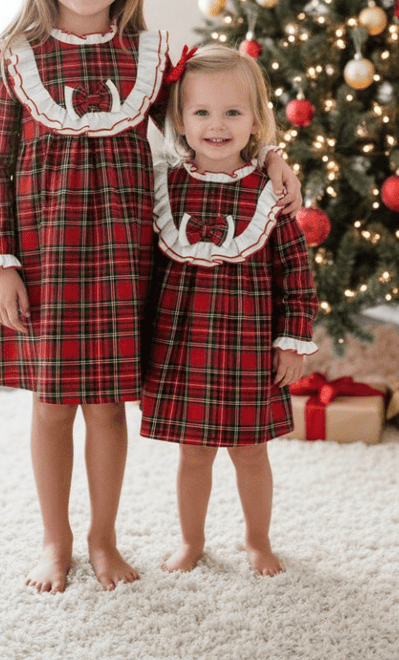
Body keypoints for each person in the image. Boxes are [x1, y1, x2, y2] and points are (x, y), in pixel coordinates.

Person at [0, 0, 303, 594]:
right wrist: (0, 265)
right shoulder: (14, 58)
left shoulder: (151, 58)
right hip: (46, 262)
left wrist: (275, 159)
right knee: (52, 404)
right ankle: (54, 543)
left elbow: (211, 129)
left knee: (107, 404)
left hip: (126, 262)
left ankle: (102, 541)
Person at [140, 44, 319, 577]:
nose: (216, 125)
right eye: (202, 112)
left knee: (250, 454)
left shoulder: (272, 193)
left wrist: (292, 340)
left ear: (256, 121)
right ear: (180, 119)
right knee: (192, 455)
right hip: (185, 348)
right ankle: (191, 542)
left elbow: (297, 275)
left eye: (232, 113)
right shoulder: (164, 186)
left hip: (247, 352)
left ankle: (257, 540)